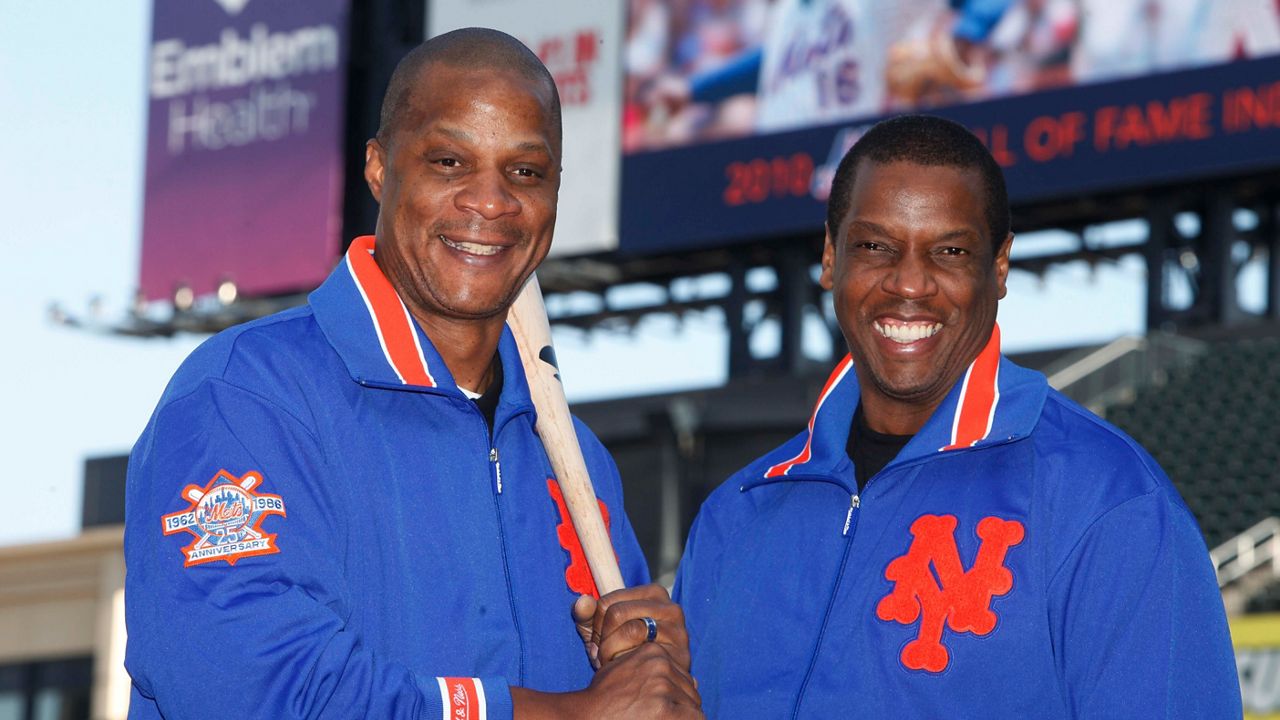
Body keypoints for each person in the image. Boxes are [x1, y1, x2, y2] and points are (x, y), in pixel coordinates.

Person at [124, 28, 699, 720]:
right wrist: (564, 713)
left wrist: (652, 679)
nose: (490, 202)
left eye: (525, 172)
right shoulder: (247, 396)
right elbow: (253, 688)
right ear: (378, 167)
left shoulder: (579, 461)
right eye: (450, 162)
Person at [672, 114, 1240, 718]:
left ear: (998, 269)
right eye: (874, 246)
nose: (909, 283)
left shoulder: (1110, 501)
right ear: (831, 258)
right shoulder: (736, 514)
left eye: (949, 251)